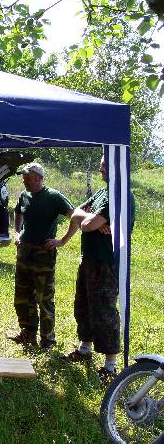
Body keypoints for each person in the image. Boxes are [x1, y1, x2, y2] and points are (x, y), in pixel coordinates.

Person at [51, 157, 135, 382]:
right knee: (84, 305)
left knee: (104, 311)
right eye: (100, 166)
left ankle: (110, 366)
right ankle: (85, 350)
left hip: (106, 262)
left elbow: (86, 225)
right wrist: (90, 219)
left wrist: (88, 220)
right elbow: (75, 214)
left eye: (104, 166)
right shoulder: (101, 193)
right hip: (88, 259)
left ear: (117, 167)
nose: (100, 170)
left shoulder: (120, 196)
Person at [7, 162, 74, 350]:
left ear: (39, 178)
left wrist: (62, 240)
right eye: (23, 177)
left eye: (27, 177)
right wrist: (17, 232)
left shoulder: (53, 196)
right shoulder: (24, 195)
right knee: (22, 296)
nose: (24, 180)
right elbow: (17, 213)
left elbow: (75, 217)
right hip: (24, 252)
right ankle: (27, 334)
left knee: (44, 299)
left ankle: (47, 341)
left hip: (43, 254)